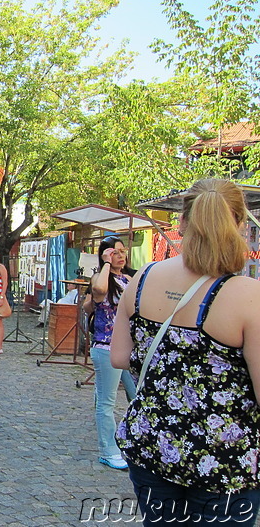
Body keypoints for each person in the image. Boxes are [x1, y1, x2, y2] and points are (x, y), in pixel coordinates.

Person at [111, 178, 260, 525]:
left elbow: (119, 357)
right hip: (226, 463)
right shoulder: (248, 296)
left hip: (152, 448)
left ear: (181, 223)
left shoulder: (144, 277)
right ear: (240, 223)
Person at [85, 236, 136, 471]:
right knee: (106, 402)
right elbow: (98, 290)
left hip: (130, 348)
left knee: (138, 396)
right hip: (105, 346)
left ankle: (133, 441)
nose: (121, 255)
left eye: (123, 251)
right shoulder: (100, 278)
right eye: (115, 252)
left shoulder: (129, 278)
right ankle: (108, 450)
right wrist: (105, 264)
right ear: (106, 255)